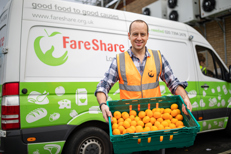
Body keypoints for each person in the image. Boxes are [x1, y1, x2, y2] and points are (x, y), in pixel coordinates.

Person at [95, 19, 192, 153]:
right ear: (129, 36)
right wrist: (103, 104)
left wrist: (185, 97)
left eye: (142, 34)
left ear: (147, 36)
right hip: (129, 125)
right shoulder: (119, 60)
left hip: (155, 122)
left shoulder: (158, 57)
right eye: (135, 34)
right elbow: (103, 85)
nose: (139, 38)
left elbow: (173, 83)